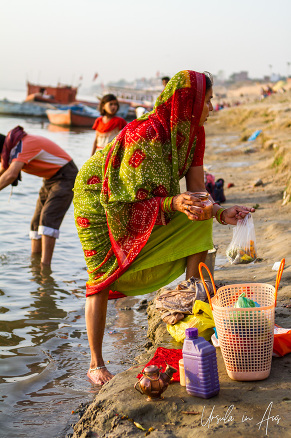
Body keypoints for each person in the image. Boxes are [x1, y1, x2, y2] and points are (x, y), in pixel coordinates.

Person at [73, 70, 255, 385]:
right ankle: (96, 364)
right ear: (189, 101)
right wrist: (172, 204)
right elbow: (124, 203)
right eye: (208, 101)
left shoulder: (195, 133)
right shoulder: (144, 135)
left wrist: (221, 212)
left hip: (146, 202)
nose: (212, 108)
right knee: (100, 277)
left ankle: (191, 312)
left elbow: (198, 192)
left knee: (198, 223)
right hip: (99, 198)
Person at [0, 126, 78, 266]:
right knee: (36, 222)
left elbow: (11, 175)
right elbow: (3, 172)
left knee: (48, 218)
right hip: (50, 179)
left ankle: (44, 267)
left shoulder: (23, 145)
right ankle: (35, 265)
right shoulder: (13, 148)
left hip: (66, 176)